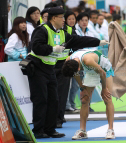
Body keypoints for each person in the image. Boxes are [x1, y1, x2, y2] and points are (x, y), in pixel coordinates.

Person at [26, 7, 108, 139]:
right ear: (53, 18)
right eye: (61, 17)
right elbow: (36, 46)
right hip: (37, 68)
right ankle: (39, 130)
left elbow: (78, 40)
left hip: (49, 69)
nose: (64, 20)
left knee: (54, 99)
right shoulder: (41, 30)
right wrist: (52, 49)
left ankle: (50, 129)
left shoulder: (62, 32)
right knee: (41, 100)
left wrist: (98, 41)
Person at [62, 49, 115, 140]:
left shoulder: (88, 61)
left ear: (78, 69)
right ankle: (82, 131)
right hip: (91, 71)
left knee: (107, 98)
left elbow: (102, 73)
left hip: (104, 69)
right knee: (84, 99)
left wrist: (104, 89)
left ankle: (111, 130)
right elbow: (76, 74)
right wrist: (82, 88)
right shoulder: (68, 61)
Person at [55, 11, 77, 128]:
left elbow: (77, 43)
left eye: (64, 18)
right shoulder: (44, 30)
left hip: (65, 64)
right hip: (49, 65)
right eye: (62, 17)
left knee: (63, 93)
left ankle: (59, 118)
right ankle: (50, 119)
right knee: (51, 94)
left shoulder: (69, 31)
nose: (63, 20)